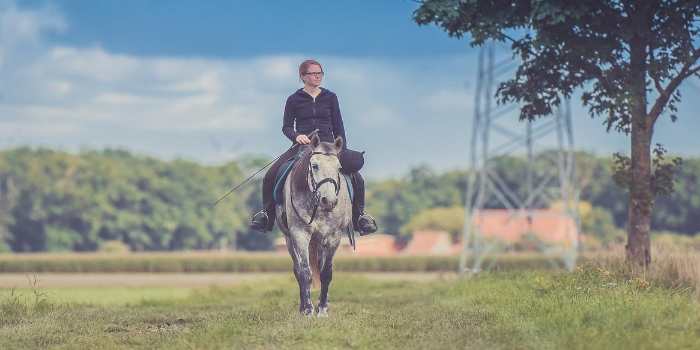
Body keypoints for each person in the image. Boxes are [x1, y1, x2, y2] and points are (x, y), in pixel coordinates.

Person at [250, 59, 377, 235]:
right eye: (313, 73)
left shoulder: (330, 97)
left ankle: (359, 217)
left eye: (320, 73)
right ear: (303, 76)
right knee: (271, 174)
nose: (317, 76)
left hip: (330, 147)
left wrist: (342, 149)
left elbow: (338, 125)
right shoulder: (294, 99)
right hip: (303, 146)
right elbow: (286, 127)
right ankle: (266, 215)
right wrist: (296, 136)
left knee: (358, 178)